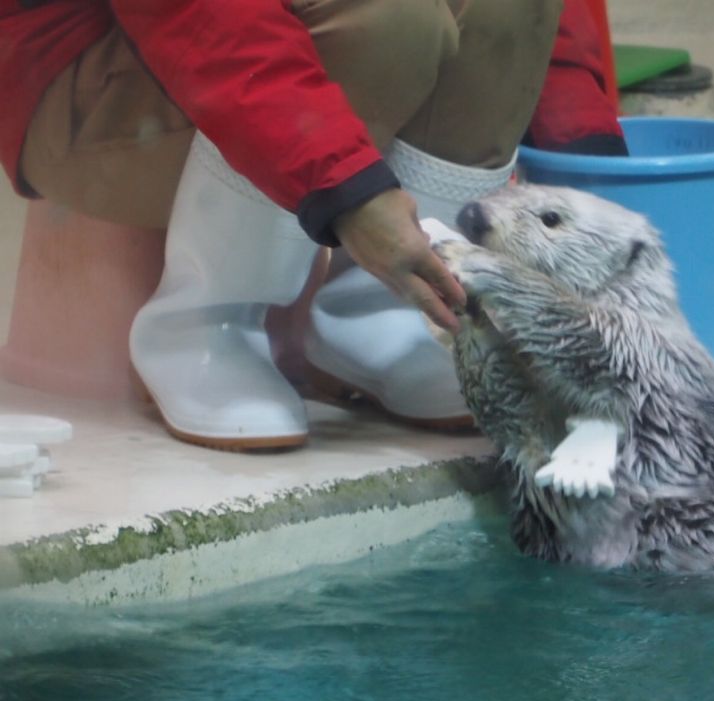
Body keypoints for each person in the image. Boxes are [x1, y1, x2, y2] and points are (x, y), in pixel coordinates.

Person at [0, 0, 627, 450]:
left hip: (277, 51)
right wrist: (345, 188)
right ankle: (203, 321)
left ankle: (376, 317)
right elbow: (207, 21)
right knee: (388, 19)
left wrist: (590, 164)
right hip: (87, 64)